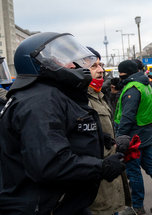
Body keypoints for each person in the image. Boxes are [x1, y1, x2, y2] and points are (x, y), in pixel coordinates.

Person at [0, 32, 125, 214]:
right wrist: (101, 167)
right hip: (44, 207)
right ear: (40, 64)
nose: (74, 65)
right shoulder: (39, 101)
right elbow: (50, 163)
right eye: (62, 59)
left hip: (63, 203)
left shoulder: (52, 94)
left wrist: (103, 140)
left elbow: (63, 134)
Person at [114, 60, 152, 214]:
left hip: (133, 137)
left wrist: (120, 136)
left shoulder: (132, 89)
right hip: (145, 133)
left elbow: (127, 116)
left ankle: (137, 206)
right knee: (150, 165)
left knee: (134, 172)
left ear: (124, 73)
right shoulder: (145, 84)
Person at [85, 47, 130, 214]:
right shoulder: (80, 99)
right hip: (98, 187)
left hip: (110, 179)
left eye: (101, 64)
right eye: (94, 66)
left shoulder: (99, 95)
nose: (101, 70)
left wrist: (116, 143)